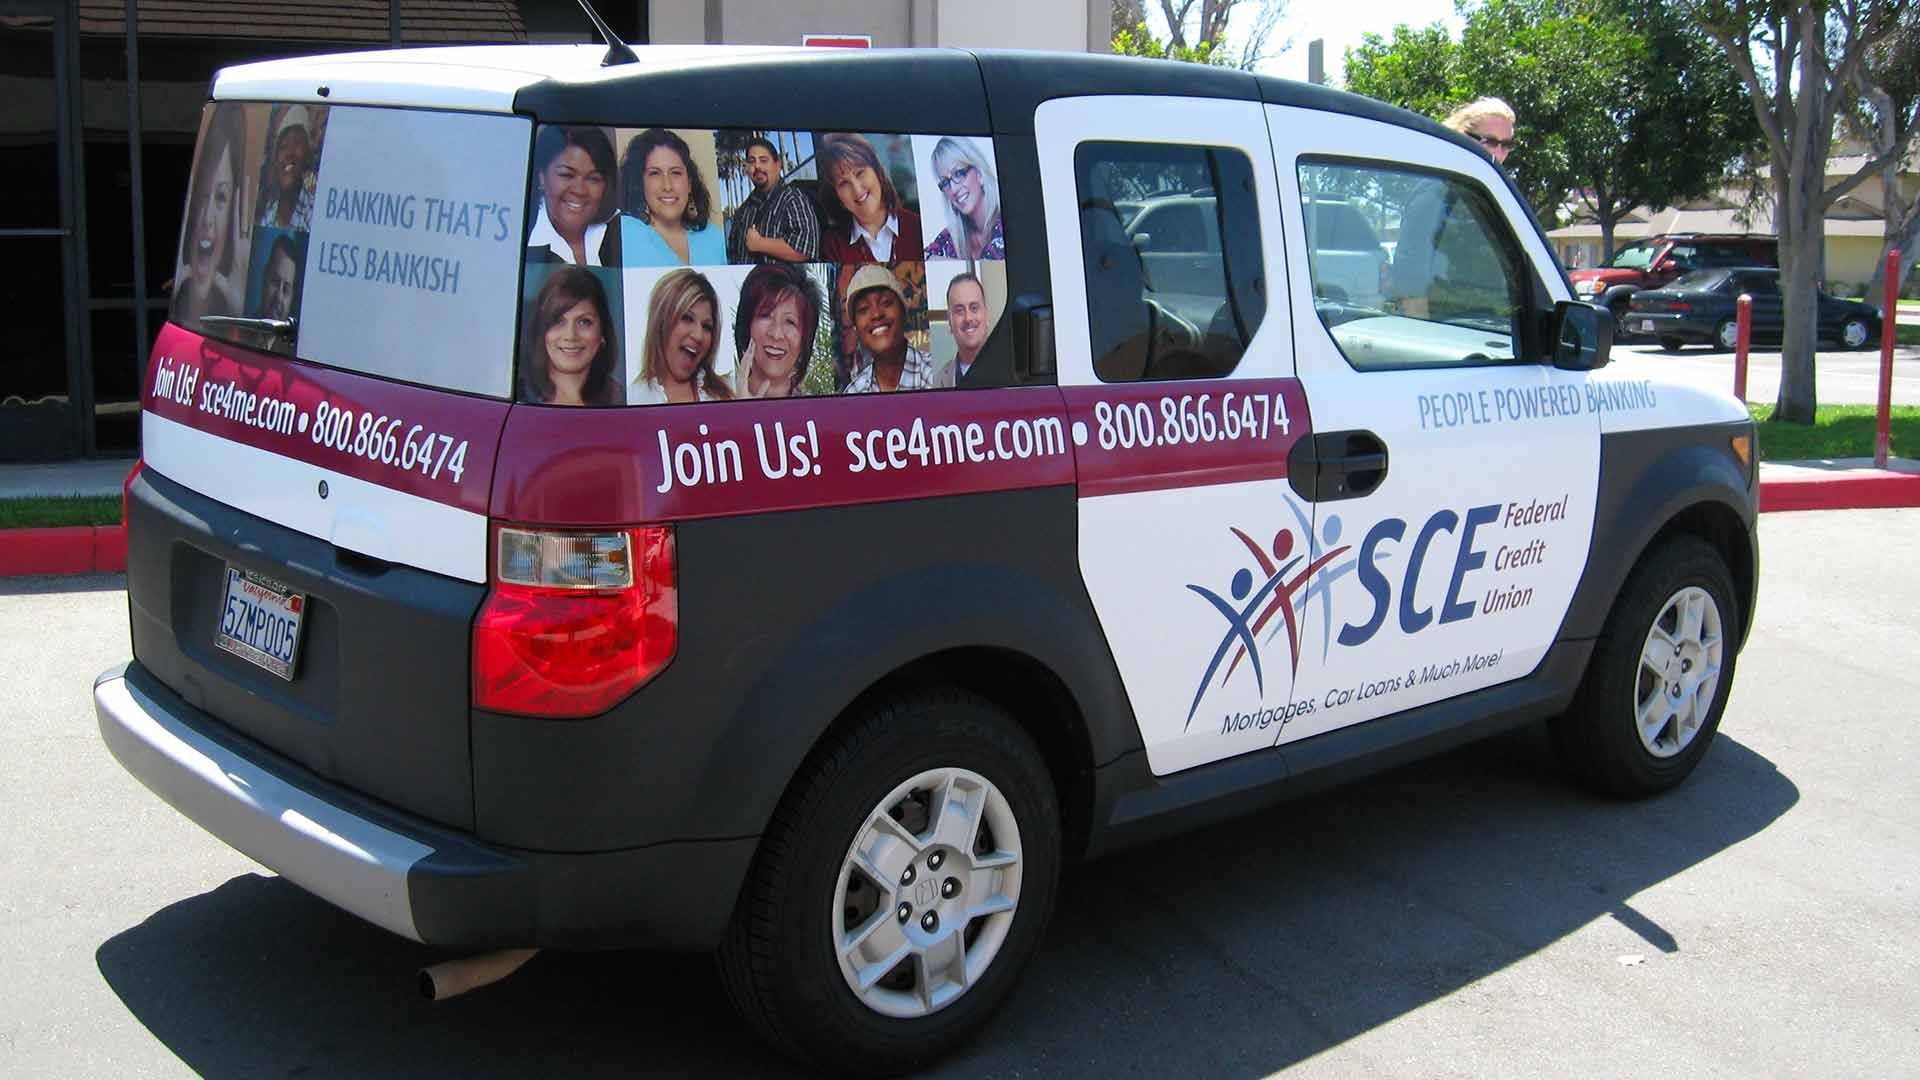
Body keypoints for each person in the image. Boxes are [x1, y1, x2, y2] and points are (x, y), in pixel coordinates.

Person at [1386, 97, 1517, 319]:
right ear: (1461, 137)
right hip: (1449, 331)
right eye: (1490, 141)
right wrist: (1422, 335)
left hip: (1493, 327)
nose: (1499, 152)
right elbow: (1411, 278)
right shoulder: (1435, 193)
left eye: (1507, 144)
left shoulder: (1488, 195)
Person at [172, 103, 248, 328]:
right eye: (202, 196)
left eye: (221, 198)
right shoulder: (178, 308)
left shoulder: (239, 315)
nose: (207, 218)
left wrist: (239, 305)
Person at [621, 128, 726, 267]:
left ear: (689, 183)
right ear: (641, 184)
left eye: (675, 173)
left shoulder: (712, 237)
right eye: (655, 173)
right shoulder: (626, 233)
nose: (667, 186)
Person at [520, 268, 623, 406]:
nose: (571, 336)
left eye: (584, 322)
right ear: (542, 331)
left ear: (603, 332)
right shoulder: (519, 396)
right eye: (558, 321)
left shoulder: (624, 399)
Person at [817, 133, 922, 265]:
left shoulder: (918, 227)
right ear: (836, 195)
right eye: (844, 183)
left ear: (877, 171)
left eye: (860, 173)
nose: (857, 189)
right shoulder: (832, 245)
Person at [632, 268, 734, 404]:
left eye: (707, 327)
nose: (698, 336)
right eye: (687, 318)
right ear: (661, 322)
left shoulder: (731, 391)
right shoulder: (632, 399)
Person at [526, 126, 623, 267]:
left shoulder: (623, 231)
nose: (579, 190)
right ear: (541, 176)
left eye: (593, 179)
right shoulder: (522, 242)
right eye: (567, 175)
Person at [843, 264, 946, 393]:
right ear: (856, 328)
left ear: (903, 311)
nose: (876, 314)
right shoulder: (854, 394)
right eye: (864, 309)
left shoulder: (939, 377)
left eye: (886, 302)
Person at [731, 263, 823, 398]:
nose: (776, 334)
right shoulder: (713, 402)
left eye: (790, 322)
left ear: (805, 339)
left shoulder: (819, 412)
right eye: (766, 315)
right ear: (746, 325)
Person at [726, 136, 821, 265]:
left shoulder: (793, 198)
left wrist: (760, 244)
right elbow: (732, 254)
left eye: (763, 160)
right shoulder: (743, 210)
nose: (757, 166)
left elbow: (806, 248)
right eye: (751, 161)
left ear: (778, 166)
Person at [923, 137, 1004, 261]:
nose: (953, 189)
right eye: (945, 182)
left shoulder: (1005, 227)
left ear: (980, 174)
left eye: (958, 173)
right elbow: (925, 256)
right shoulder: (951, 236)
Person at [257, 105, 316, 231]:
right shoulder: (267, 213)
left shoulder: (315, 209)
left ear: (307, 155)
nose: (289, 152)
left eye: (297, 143)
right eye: (283, 146)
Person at [247, 232, 303, 351]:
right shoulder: (239, 330)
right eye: (275, 283)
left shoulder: (293, 351)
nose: (278, 297)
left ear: (292, 297)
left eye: (286, 290)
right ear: (264, 277)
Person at [945, 272, 992, 384]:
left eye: (974, 308)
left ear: (986, 315)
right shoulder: (936, 381)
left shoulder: (1012, 370)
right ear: (950, 321)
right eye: (959, 310)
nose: (968, 318)